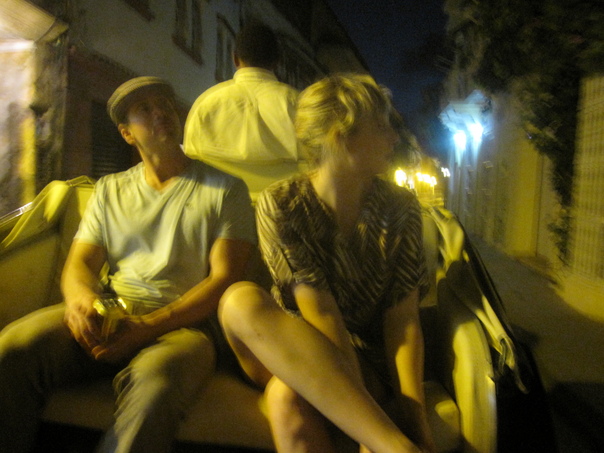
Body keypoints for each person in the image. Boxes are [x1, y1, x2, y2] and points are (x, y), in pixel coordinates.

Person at [0, 77, 256, 452]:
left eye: (164, 105)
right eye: (144, 109)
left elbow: (224, 278)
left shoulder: (226, 189)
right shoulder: (110, 190)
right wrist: (80, 302)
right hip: (114, 310)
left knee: (156, 385)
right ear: (126, 134)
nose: (160, 113)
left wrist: (147, 327)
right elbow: (80, 264)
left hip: (186, 326)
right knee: (14, 346)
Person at [218, 74, 436, 453]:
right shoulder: (282, 203)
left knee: (286, 398)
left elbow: (403, 321)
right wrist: (369, 428)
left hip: (367, 361)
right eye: (381, 126)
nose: (394, 138)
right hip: (291, 347)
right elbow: (321, 315)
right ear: (342, 137)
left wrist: (414, 417)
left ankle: (392, 443)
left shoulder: (400, 208)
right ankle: (391, 446)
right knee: (239, 300)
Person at [183, 22, 301, 199]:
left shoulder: (207, 103)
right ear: (277, 62)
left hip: (221, 209)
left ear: (235, 58)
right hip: (284, 208)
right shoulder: (300, 104)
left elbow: (191, 167)